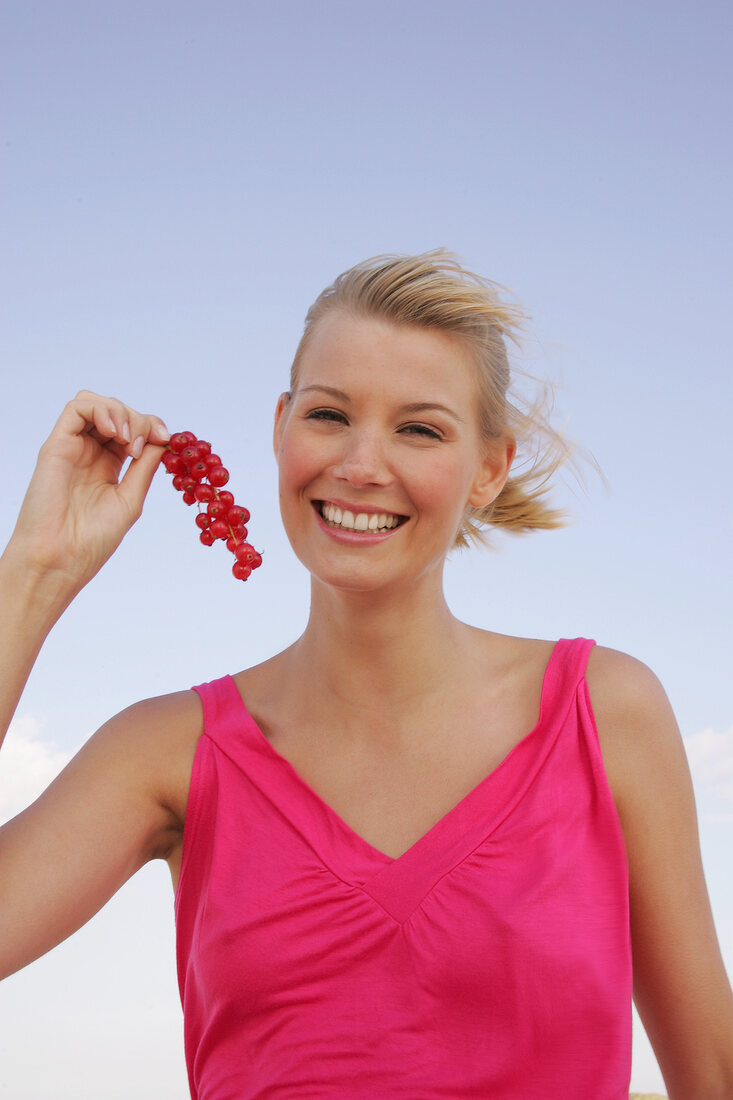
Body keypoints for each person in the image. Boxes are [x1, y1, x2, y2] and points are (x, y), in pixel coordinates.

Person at [1, 251, 731, 1099]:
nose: (359, 464)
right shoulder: (165, 752)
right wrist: (35, 575)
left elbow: (713, 1073)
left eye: (418, 428)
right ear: (279, 428)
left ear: (489, 469)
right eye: (327, 414)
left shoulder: (602, 711)